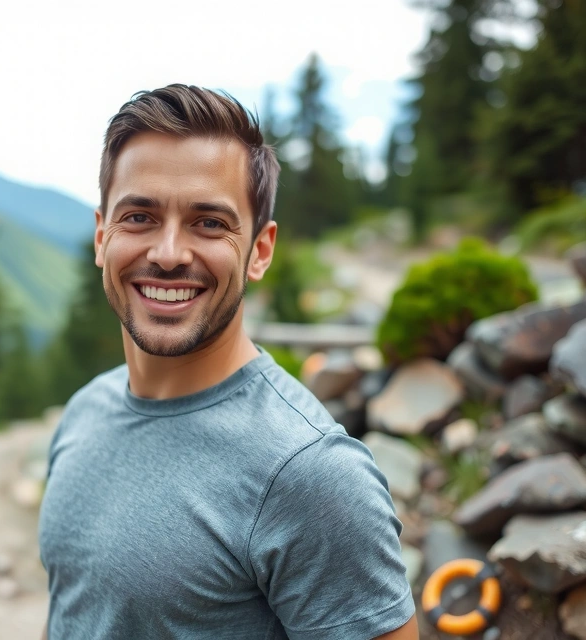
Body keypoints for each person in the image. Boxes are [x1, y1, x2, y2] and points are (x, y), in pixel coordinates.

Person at [38, 84, 418, 640]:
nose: (168, 254)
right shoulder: (84, 413)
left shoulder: (312, 474)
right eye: (139, 217)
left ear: (259, 251)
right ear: (102, 236)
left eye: (209, 223)